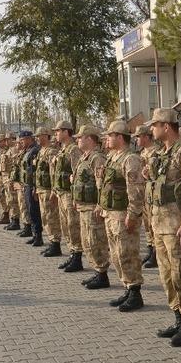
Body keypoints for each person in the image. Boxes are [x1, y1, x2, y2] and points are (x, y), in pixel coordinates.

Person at [146, 108, 181, 347]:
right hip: (160, 224)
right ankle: (177, 317)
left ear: (166, 126)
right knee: (167, 276)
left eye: (155, 125)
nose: (151, 129)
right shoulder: (162, 153)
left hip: (177, 225)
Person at [99, 120, 145, 312]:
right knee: (116, 254)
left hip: (123, 214)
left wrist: (133, 214)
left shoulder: (130, 159)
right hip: (111, 213)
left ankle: (135, 292)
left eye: (110, 135)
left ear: (119, 137)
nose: (107, 139)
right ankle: (127, 287)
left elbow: (136, 190)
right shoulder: (112, 157)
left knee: (127, 253)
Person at [72, 124, 110, 290]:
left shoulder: (97, 158)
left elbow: (102, 185)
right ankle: (97, 270)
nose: (78, 141)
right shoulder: (84, 157)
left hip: (93, 207)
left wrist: (100, 205)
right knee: (87, 241)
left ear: (89, 138)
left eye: (80, 137)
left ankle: (102, 274)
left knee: (96, 241)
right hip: (83, 206)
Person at [52, 121, 84, 273]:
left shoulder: (74, 150)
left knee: (73, 225)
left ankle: (77, 256)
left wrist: (76, 197)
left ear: (66, 132)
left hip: (70, 194)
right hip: (61, 193)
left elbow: (77, 174)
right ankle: (72, 253)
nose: (56, 133)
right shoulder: (62, 150)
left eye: (58, 131)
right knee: (65, 225)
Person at [33, 127, 61, 257]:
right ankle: (51, 242)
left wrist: (54, 190)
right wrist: (36, 188)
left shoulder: (51, 152)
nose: (37, 138)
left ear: (45, 136)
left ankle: (55, 244)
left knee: (51, 217)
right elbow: (38, 172)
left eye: (39, 136)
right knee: (45, 217)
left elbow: (54, 173)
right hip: (41, 189)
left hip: (49, 190)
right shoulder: (41, 151)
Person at [136, 125, 159, 269]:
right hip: (143, 193)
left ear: (146, 137)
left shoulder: (156, 152)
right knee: (147, 224)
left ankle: (156, 253)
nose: (137, 140)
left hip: (152, 193)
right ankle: (150, 250)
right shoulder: (142, 153)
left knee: (153, 223)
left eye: (138, 136)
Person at [19, 131, 43, 247]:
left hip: (32, 185)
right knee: (30, 211)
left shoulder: (34, 151)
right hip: (27, 185)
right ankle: (34, 235)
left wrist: (34, 187)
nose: (21, 142)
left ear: (29, 139)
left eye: (22, 140)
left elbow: (35, 171)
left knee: (34, 211)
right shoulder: (28, 151)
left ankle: (38, 236)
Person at [0, 133, 21, 231]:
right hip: (6, 179)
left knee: (13, 200)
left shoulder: (14, 150)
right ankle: (12, 219)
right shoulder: (8, 150)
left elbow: (15, 166)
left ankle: (15, 221)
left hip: (10, 179)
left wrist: (13, 180)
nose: (6, 141)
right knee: (9, 200)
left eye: (8, 139)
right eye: (6, 140)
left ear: (13, 139)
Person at [13, 135, 33, 238]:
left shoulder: (28, 153)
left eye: (21, 141)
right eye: (18, 142)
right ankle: (26, 226)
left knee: (25, 206)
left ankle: (28, 227)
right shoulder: (21, 153)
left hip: (24, 184)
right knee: (22, 205)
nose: (19, 144)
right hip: (20, 183)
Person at [0, 134, 11, 224]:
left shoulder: (8, 151)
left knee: (5, 197)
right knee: (0, 197)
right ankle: (5, 212)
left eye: (1, 141)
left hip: (5, 177)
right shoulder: (0, 152)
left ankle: (7, 214)